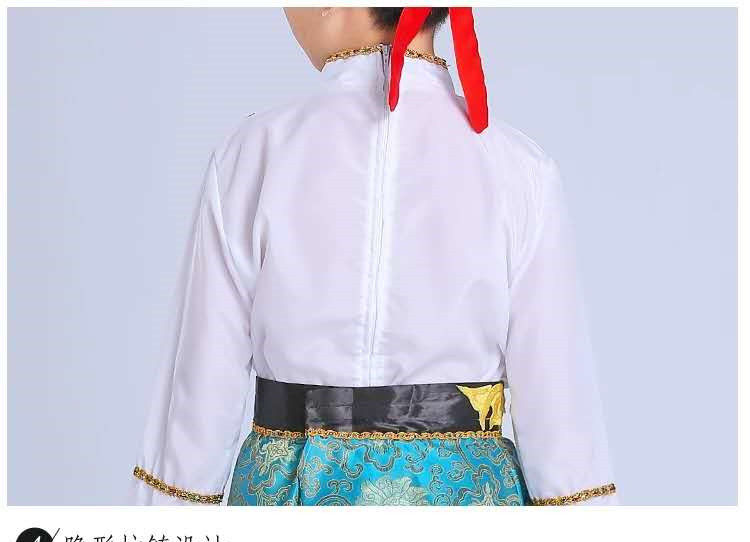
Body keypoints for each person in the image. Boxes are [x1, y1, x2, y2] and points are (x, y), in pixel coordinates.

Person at [129, 7, 618, 506]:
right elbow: (560, 407)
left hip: (289, 490)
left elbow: (199, 392)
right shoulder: (518, 166)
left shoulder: (254, 152)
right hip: (467, 496)